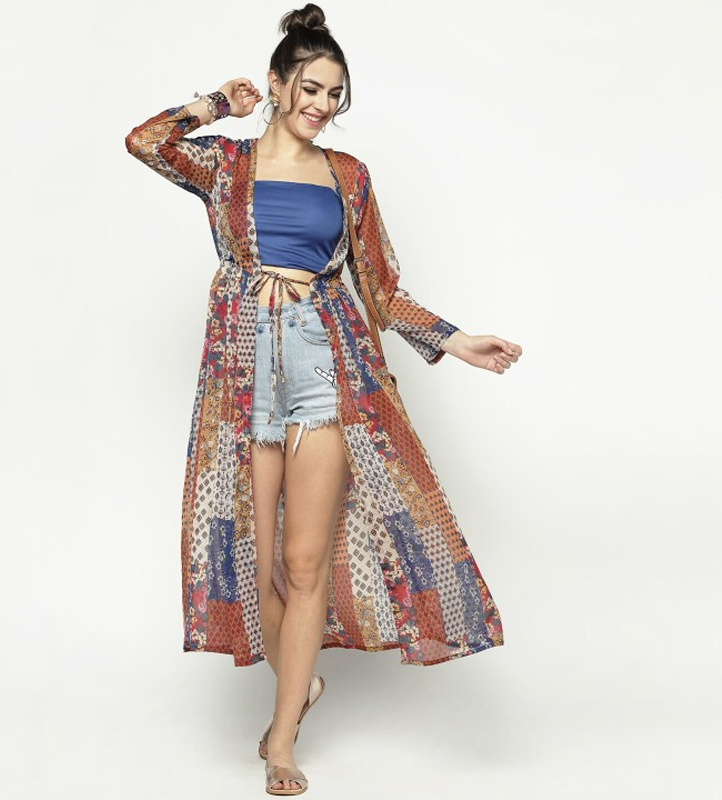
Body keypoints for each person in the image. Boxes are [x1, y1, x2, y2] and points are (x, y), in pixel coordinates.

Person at [125, 3, 522, 795]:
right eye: (308, 89)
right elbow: (146, 142)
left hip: (327, 365)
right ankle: (299, 683)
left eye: (334, 94)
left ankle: (281, 741)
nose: (321, 105)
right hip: (245, 371)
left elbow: (378, 288)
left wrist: (452, 339)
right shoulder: (226, 164)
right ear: (277, 86)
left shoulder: (350, 176)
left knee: (304, 564)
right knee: (257, 564)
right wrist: (216, 102)